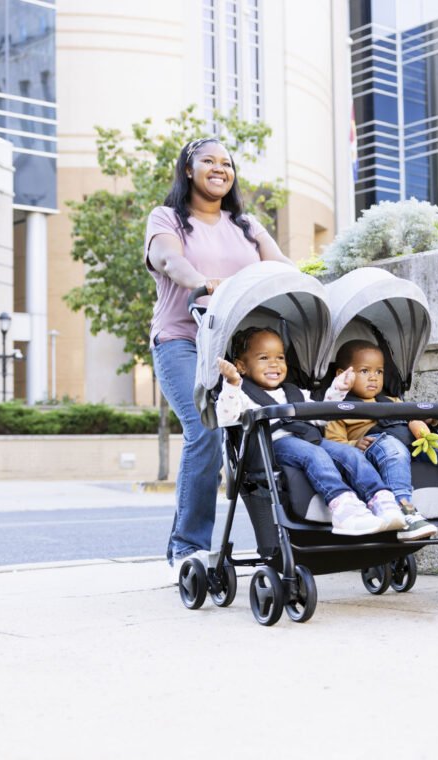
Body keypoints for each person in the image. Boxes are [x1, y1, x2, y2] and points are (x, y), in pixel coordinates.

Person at [144, 137, 294, 582]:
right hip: (182, 340)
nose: (219, 168)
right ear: (188, 169)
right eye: (208, 160)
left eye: (226, 163)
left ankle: (279, 542)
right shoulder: (167, 218)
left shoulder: (246, 225)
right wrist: (206, 283)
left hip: (236, 349)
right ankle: (188, 547)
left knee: (261, 435)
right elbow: (168, 259)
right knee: (205, 431)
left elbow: (281, 266)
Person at [215, 327, 407, 536]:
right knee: (313, 454)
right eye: (264, 358)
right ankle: (343, 507)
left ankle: (381, 500)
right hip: (272, 445)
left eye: (280, 357)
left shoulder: (295, 392)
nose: (274, 364)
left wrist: (338, 389)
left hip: (308, 440)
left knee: (350, 453)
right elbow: (226, 416)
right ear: (241, 366)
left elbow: (321, 414)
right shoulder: (241, 394)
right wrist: (231, 383)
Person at [325, 339, 438, 539]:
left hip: (412, 440)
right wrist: (354, 444)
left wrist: (428, 420)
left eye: (379, 371)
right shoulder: (338, 408)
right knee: (393, 448)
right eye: (364, 371)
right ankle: (404, 511)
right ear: (342, 374)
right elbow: (332, 444)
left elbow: (413, 418)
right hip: (378, 446)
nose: (373, 378)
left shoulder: (392, 401)